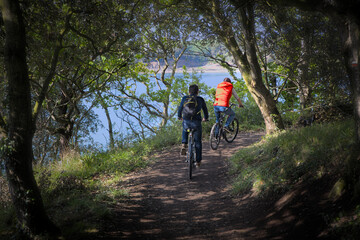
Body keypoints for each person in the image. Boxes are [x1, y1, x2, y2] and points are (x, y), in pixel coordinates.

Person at [178, 84, 209, 167]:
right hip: (196, 123)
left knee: (185, 128)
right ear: (197, 92)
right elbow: (205, 110)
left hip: (187, 121)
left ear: (189, 91)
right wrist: (206, 118)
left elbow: (180, 108)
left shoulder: (185, 98)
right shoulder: (200, 99)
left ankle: (184, 143)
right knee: (198, 142)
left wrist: (179, 116)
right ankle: (198, 161)